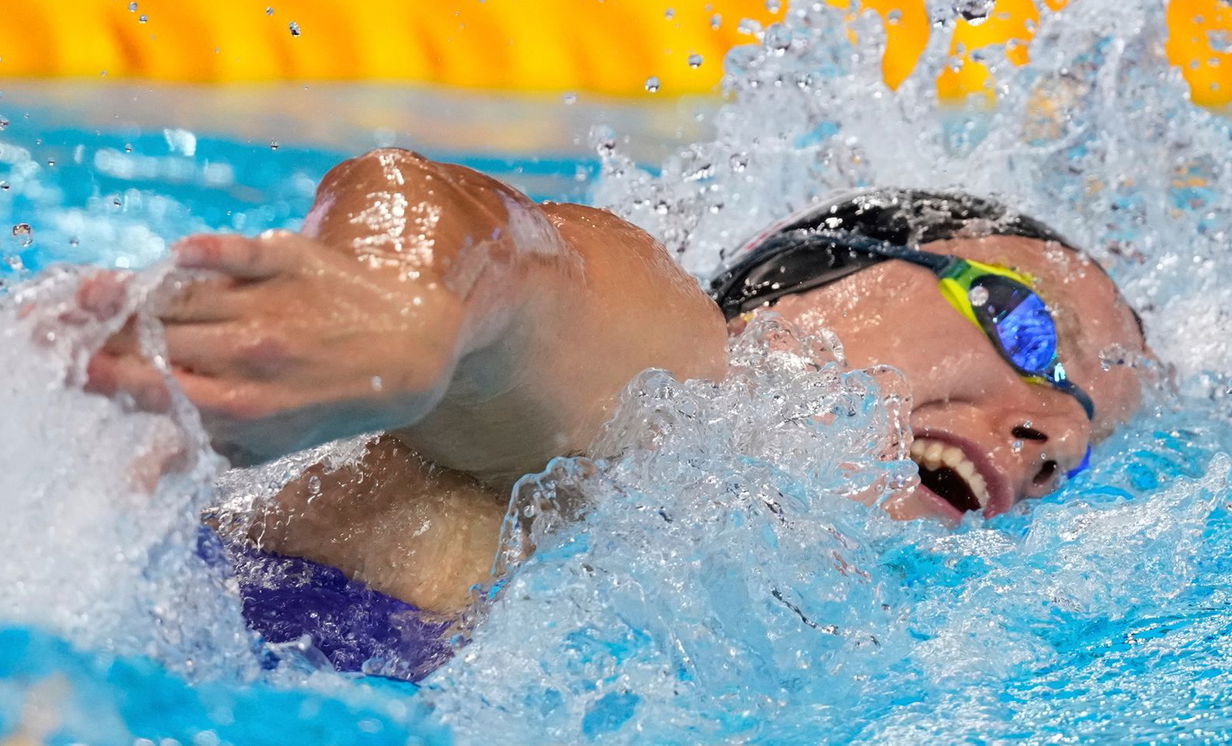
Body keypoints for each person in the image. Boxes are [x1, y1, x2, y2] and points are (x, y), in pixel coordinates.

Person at [74, 148, 1151, 679]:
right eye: (1023, 331)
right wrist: (392, 309)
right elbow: (483, 233)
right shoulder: (683, 389)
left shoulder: (768, 617)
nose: (1050, 433)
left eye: (1080, 434)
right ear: (802, 281)